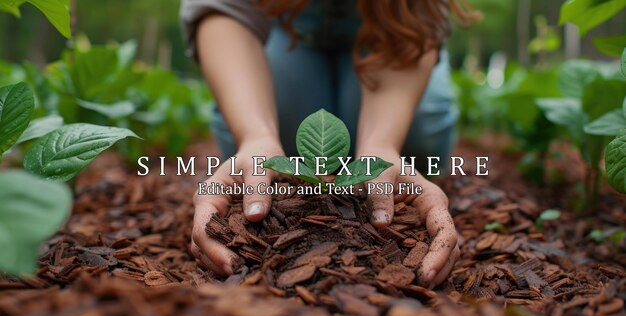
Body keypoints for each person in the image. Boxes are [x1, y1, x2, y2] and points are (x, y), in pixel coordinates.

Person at [181, 0, 479, 288]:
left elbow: (411, 13)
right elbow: (223, 9)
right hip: (283, 24)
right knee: (281, 124)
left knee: (421, 130)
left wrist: (381, 146)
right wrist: (256, 136)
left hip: (387, 27)